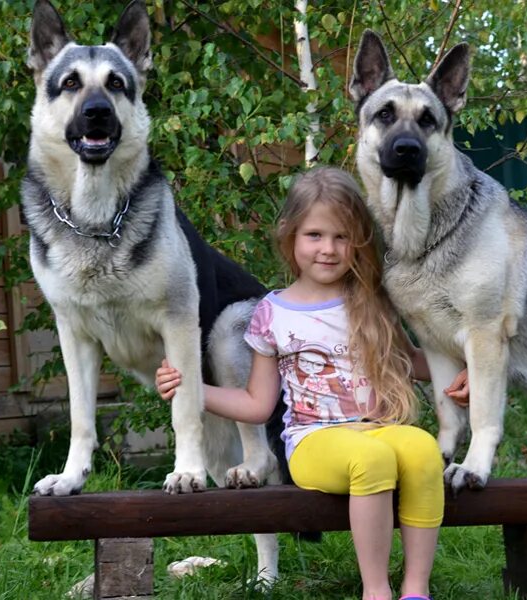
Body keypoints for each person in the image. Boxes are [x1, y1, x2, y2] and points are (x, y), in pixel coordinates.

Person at [156, 167, 469, 600]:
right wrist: (190, 388)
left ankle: (415, 589)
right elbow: (257, 404)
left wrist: (465, 370)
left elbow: (413, 361)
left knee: (420, 449)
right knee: (372, 458)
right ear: (291, 237)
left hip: (375, 429)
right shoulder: (273, 312)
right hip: (312, 442)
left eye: (342, 237)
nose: (329, 249)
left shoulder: (372, 299)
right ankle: (375, 590)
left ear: (358, 238)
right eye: (316, 235)